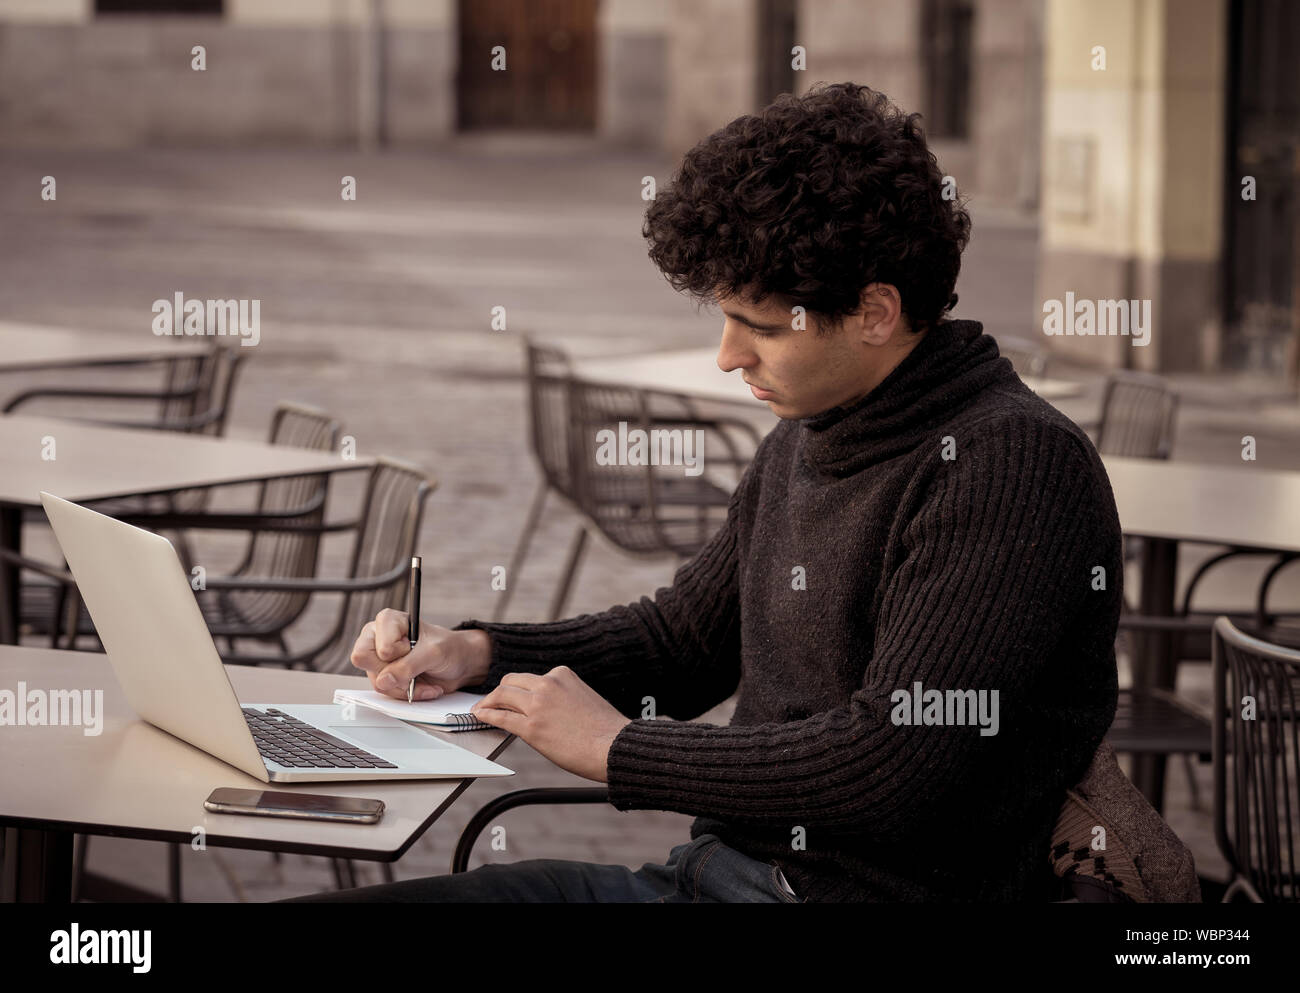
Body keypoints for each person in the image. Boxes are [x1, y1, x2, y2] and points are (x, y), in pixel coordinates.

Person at [286, 81, 1122, 903]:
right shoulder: (816, 424)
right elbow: (684, 643)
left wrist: (619, 747)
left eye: (759, 327)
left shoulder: (1010, 464)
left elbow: (893, 760)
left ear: (874, 312)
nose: (728, 356)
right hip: (712, 877)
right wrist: (482, 653)